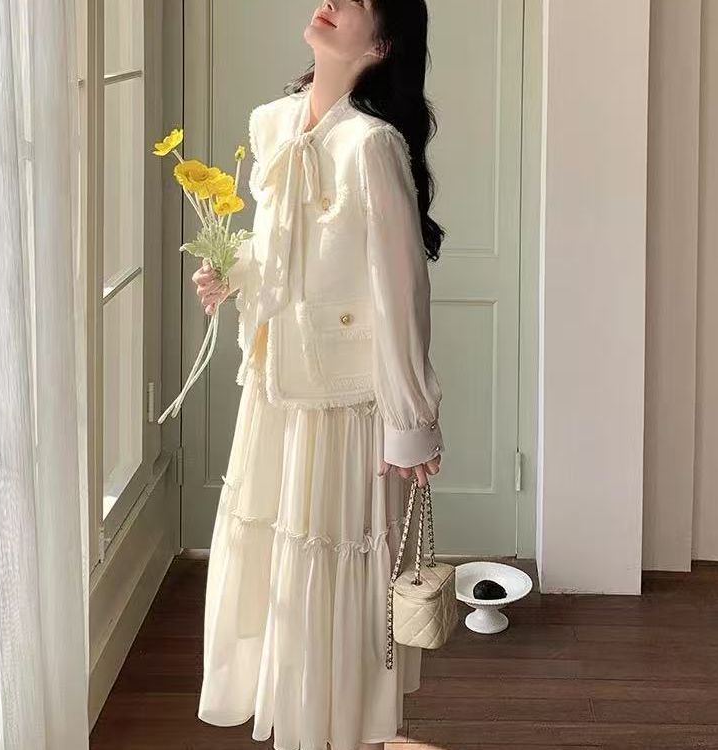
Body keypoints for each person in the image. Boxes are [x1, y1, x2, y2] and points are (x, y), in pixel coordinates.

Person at [194, 2, 446, 748]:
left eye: (356, 2)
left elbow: (400, 294)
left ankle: (347, 731)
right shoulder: (273, 124)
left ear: (382, 44)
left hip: (347, 405)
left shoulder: (372, 146)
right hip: (277, 391)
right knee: (281, 572)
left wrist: (410, 420)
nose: (330, 3)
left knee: (339, 578)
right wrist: (234, 273)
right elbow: (281, 251)